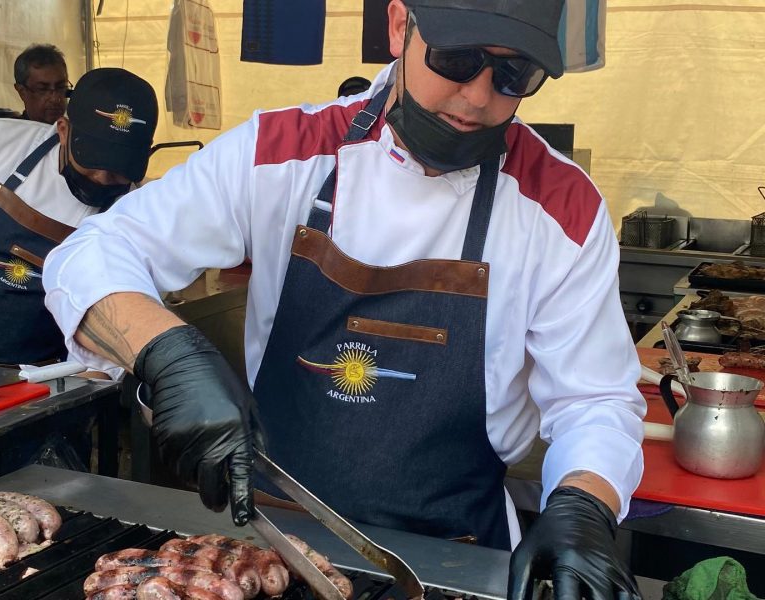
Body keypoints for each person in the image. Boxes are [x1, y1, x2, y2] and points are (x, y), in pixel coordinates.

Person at [43, 1, 645, 599]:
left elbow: (595, 398)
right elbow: (94, 250)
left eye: (514, 75)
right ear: (398, 26)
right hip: (270, 548)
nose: (479, 96)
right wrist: (164, 351)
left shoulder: (563, 206)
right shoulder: (280, 150)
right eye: (457, 59)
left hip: (457, 560)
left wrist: (585, 501)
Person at [0, 67, 158, 366]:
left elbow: (121, 331)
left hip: (49, 380)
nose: (104, 178)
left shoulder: (139, 216)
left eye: (120, 167)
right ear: (64, 130)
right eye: (92, 161)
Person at [13, 44, 71, 124]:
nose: (55, 99)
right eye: (42, 89)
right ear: (22, 92)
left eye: (61, 87)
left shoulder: (77, 132)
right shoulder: (11, 134)